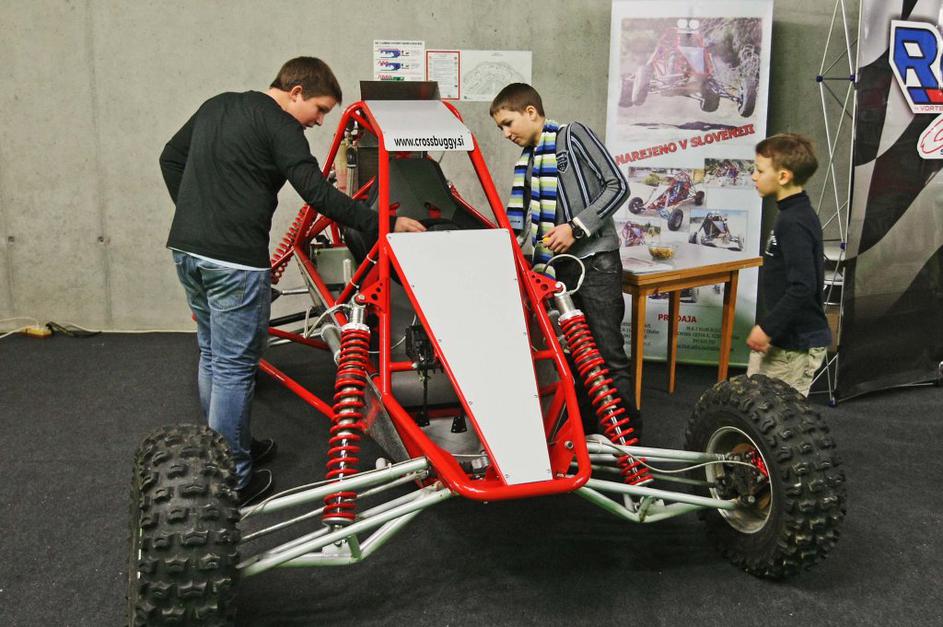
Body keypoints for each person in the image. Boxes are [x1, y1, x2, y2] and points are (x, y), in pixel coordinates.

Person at [159, 56, 424, 505]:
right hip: (234, 262)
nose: (319, 121)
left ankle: (226, 446)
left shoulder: (217, 105)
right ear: (296, 91)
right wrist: (385, 223)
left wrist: (195, 214)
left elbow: (170, 159)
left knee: (212, 353)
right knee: (234, 367)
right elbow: (317, 194)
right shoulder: (281, 126)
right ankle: (233, 478)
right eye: (319, 110)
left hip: (188, 250)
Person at [489, 83, 642, 439]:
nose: (506, 133)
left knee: (608, 355)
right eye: (500, 128)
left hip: (596, 262)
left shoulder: (573, 135)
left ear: (530, 112)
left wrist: (575, 227)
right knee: (575, 357)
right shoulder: (528, 162)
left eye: (508, 123)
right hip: (560, 270)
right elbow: (522, 222)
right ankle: (587, 439)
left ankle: (630, 444)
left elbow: (618, 186)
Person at [747, 133, 831, 397]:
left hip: (795, 345)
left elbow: (803, 286)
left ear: (783, 176)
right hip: (783, 339)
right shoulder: (789, 215)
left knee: (779, 416)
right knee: (753, 408)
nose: (754, 176)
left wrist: (767, 328)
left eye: (760, 170)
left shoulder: (794, 221)